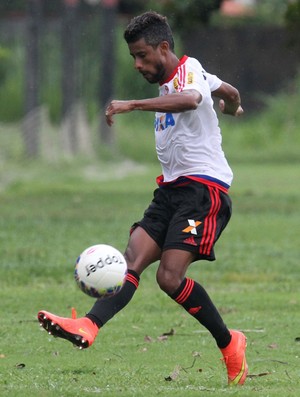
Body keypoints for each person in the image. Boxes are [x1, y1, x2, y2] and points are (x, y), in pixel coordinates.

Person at [38, 11, 248, 386]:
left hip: (203, 190)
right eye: (133, 57)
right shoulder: (181, 79)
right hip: (170, 189)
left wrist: (132, 105)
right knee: (130, 260)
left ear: (163, 47)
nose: (137, 64)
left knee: (169, 278)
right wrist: (231, 105)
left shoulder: (188, 71)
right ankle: (87, 325)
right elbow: (227, 91)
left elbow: (190, 99)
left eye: (142, 55)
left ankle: (230, 343)